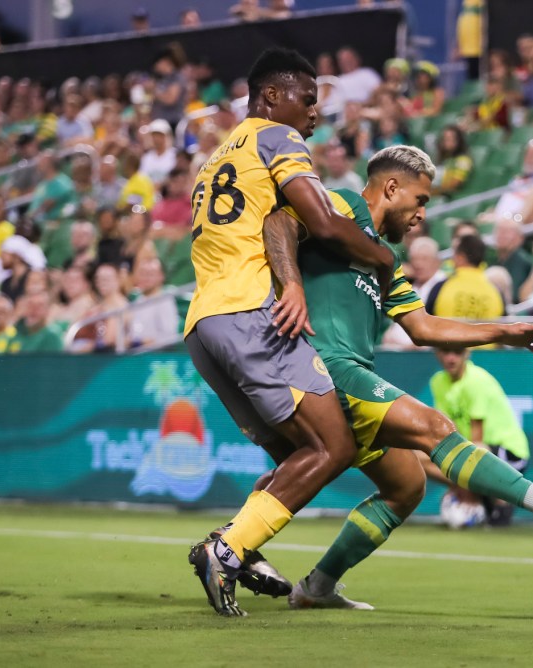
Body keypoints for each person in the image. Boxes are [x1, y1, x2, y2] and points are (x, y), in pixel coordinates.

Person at [260, 144, 533, 609]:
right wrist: (290, 283)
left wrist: (506, 330)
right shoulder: (338, 205)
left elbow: (423, 327)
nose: (421, 214)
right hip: (322, 366)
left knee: (406, 486)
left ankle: (314, 586)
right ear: (391, 187)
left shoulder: (385, 257)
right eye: (420, 200)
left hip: (347, 374)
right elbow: (278, 221)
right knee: (436, 428)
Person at [183, 47, 396, 618]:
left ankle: (241, 547)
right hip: (252, 313)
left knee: (295, 454)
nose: (314, 114)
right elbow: (322, 219)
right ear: (270, 97)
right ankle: (229, 548)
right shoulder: (277, 138)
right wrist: (382, 257)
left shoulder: (215, 159)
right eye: (307, 99)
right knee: (335, 446)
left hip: (204, 323)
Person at [427, 346, 530, 526]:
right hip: (472, 453)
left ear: (467, 353)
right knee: (420, 454)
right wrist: (457, 484)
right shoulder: (437, 382)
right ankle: (475, 498)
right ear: (437, 353)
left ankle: (496, 501)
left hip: (508, 454)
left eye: (457, 352)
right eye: (445, 351)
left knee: (476, 450)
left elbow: (476, 438)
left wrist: (463, 484)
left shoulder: (477, 381)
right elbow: (448, 432)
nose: (451, 358)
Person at [427, 234, 506, 322]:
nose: (452, 258)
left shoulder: (440, 288)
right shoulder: (496, 292)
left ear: (461, 257)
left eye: (454, 253)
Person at [128, 257, 179, 349]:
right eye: (142, 273)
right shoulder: (136, 301)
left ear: (161, 276)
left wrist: (143, 342)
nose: (145, 278)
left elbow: (169, 337)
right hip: (132, 357)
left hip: (155, 358)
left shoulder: (165, 301)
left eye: (150, 274)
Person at [490, 218, 533, 303]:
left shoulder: (522, 261)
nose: (502, 234)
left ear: (520, 238)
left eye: (507, 231)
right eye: (499, 230)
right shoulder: (493, 259)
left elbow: (514, 296)